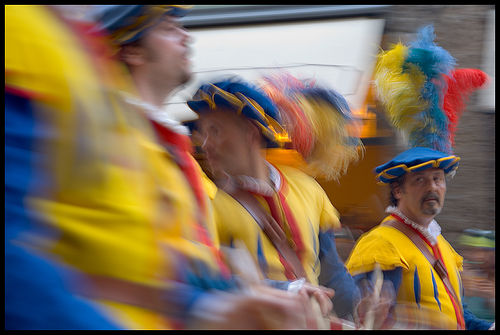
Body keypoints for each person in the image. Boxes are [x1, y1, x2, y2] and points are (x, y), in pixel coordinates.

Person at [4, 4, 316, 330]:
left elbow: (155, 258)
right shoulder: (23, 34)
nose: (186, 37)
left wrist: (217, 304)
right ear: (134, 51)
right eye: (168, 27)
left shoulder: (125, 120)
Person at [345, 25, 493, 330]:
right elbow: (371, 319)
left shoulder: (443, 248)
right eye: (421, 180)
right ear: (398, 190)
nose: (433, 187)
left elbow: (461, 316)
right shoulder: (380, 245)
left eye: (438, 178)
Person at [186, 77, 362, 321]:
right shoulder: (210, 207)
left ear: (250, 133)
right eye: (202, 134)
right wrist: (288, 292)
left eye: (214, 131)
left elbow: (332, 275)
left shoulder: (308, 189)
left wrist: (360, 308)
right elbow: (216, 284)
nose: (204, 144)